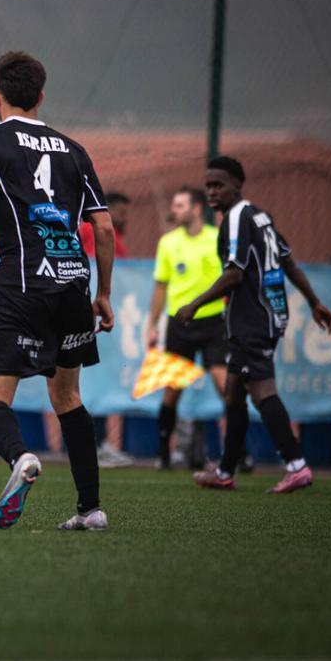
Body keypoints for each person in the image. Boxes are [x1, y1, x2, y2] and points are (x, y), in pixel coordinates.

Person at [0, 51, 115, 531]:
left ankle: (20, 459)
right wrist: (103, 293)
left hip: (22, 281)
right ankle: (90, 509)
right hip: (74, 282)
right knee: (68, 397)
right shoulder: (73, 149)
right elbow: (105, 229)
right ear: (41, 97)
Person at [174, 156, 331, 493]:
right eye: (209, 185)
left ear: (237, 184)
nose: (213, 191)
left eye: (219, 184)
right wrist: (314, 302)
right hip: (268, 315)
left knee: (262, 391)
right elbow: (288, 262)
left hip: (253, 320)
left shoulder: (235, 219)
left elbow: (234, 274)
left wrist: (193, 304)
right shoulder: (261, 217)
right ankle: (225, 471)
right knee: (234, 393)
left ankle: (296, 465)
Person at [144, 187, 229, 469]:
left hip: (214, 322)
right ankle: (162, 451)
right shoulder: (168, 242)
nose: (174, 210)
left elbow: (232, 278)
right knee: (172, 389)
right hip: (180, 324)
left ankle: (238, 452)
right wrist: (152, 324)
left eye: (180, 205)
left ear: (196, 208)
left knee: (224, 383)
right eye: (173, 204)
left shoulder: (217, 239)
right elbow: (160, 286)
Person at [78, 191, 133, 467]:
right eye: (119, 211)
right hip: (91, 318)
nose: (124, 217)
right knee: (90, 382)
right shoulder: (94, 232)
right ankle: (95, 444)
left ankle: (98, 443)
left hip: (104, 317)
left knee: (99, 381)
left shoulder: (115, 239)